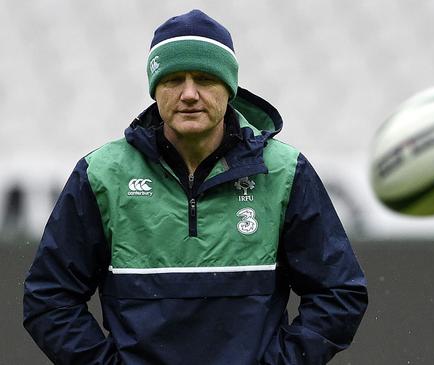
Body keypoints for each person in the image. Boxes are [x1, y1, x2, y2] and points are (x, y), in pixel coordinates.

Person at [23, 9, 368, 365]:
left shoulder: (283, 171)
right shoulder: (102, 175)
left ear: (229, 87)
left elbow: (339, 293)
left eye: (204, 78)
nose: (189, 93)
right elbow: (49, 298)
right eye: (174, 79)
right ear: (156, 87)